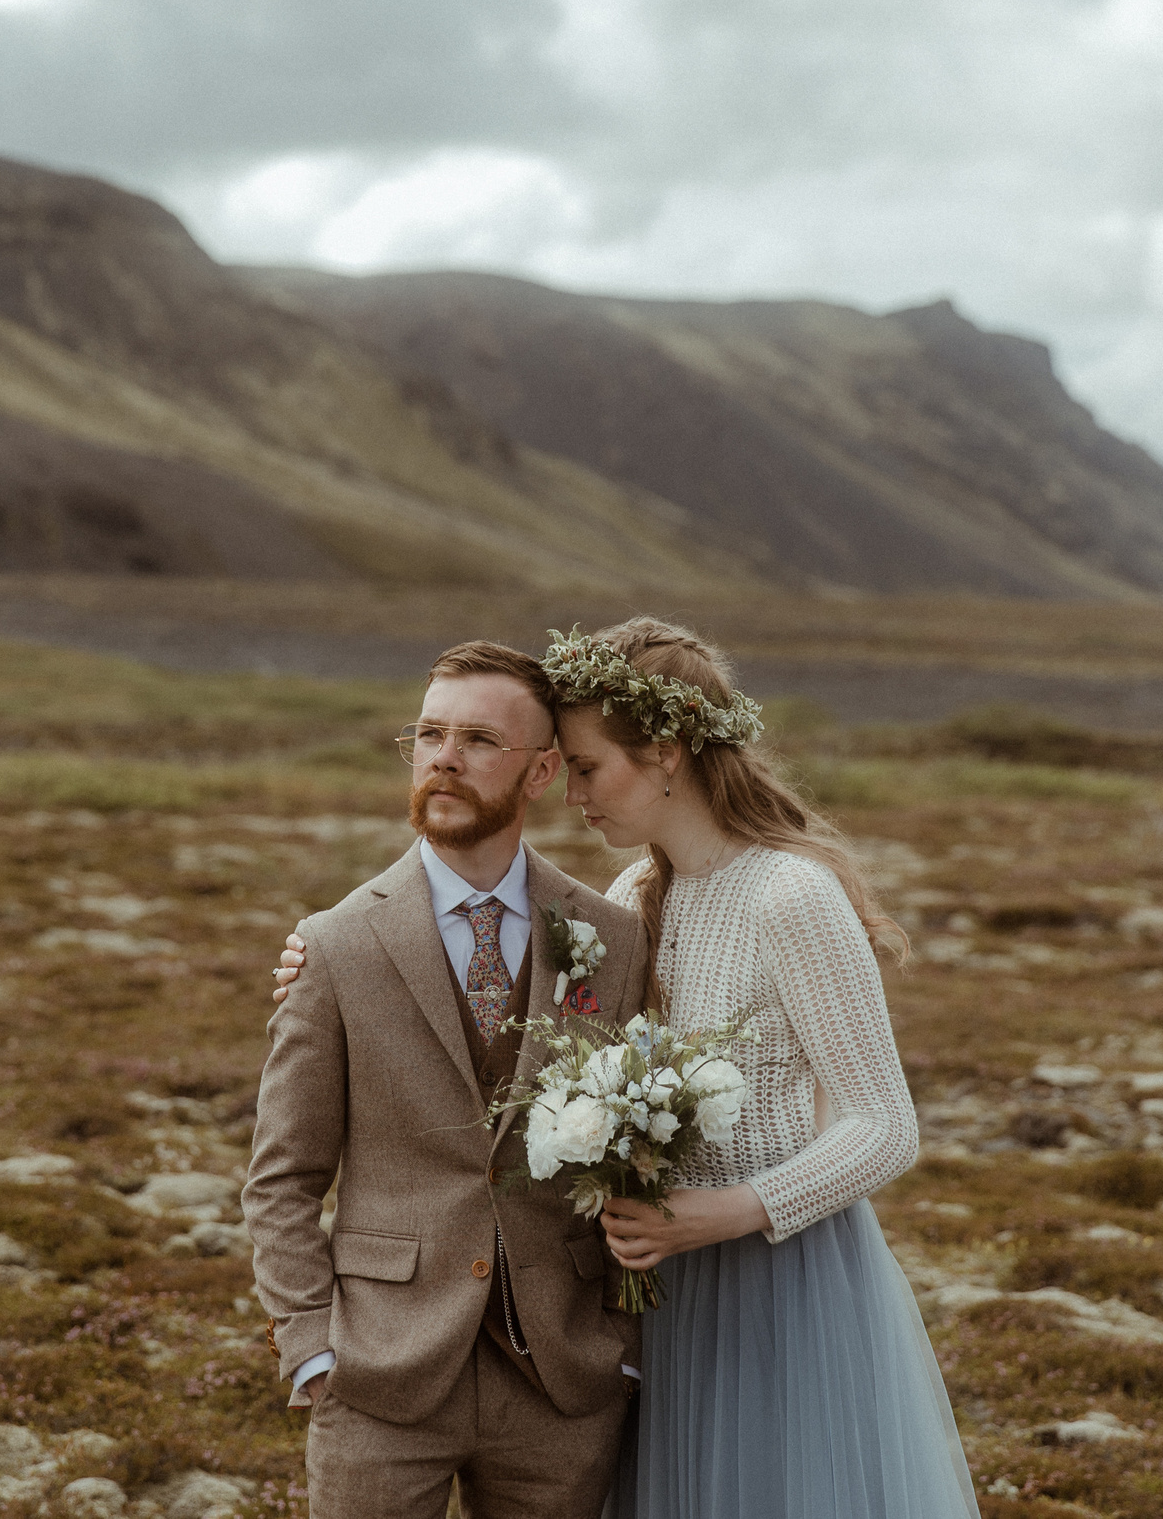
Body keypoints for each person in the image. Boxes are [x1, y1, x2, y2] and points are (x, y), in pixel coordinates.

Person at [276, 619, 981, 1519]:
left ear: (667, 754)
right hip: (663, 1286)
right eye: (564, 768)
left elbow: (888, 1125)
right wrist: (316, 958)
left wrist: (711, 1216)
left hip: (781, 1277)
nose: (571, 795)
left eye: (587, 767)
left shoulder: (792, 895)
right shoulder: (631, 905)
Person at [241, 640, 652, 1519]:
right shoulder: (336, 944)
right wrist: (312, 1347)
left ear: (542, 769)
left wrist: (621, 1341)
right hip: (379, 1378)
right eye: (428, 734)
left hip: (562, 1383)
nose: (444, 759)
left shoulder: (611, 938)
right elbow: (281, 1178)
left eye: (476, 740)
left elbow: (639, 1162)